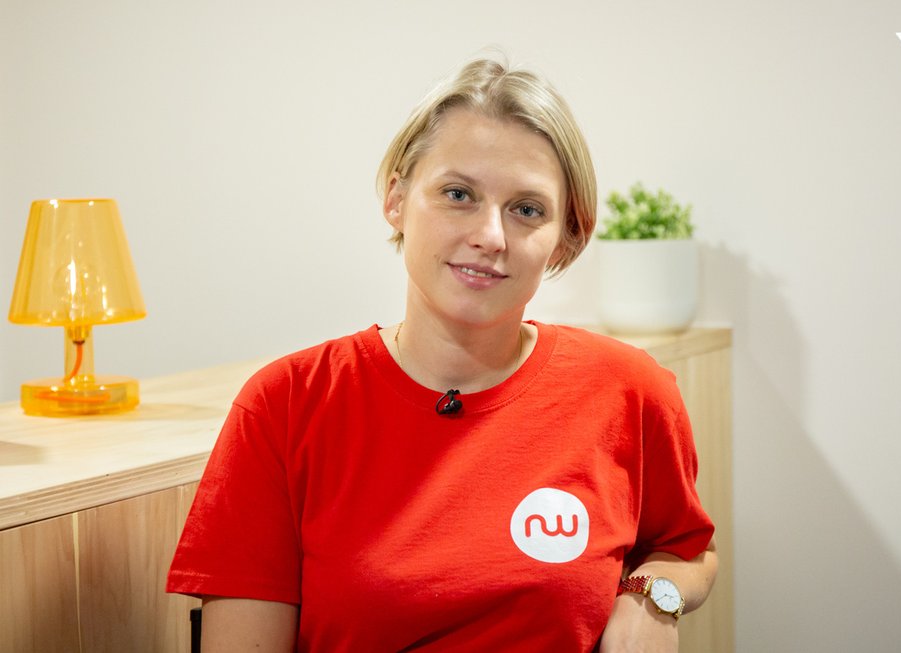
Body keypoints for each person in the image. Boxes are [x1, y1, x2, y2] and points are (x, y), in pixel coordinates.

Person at [167, 56, 717, 652]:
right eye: (458, 194)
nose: (490, 236)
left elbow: (688, 549)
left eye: (527, 209)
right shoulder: (285, 404)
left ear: (565, 238)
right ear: (396, 199)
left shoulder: (630, 390)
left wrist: (650, 597)